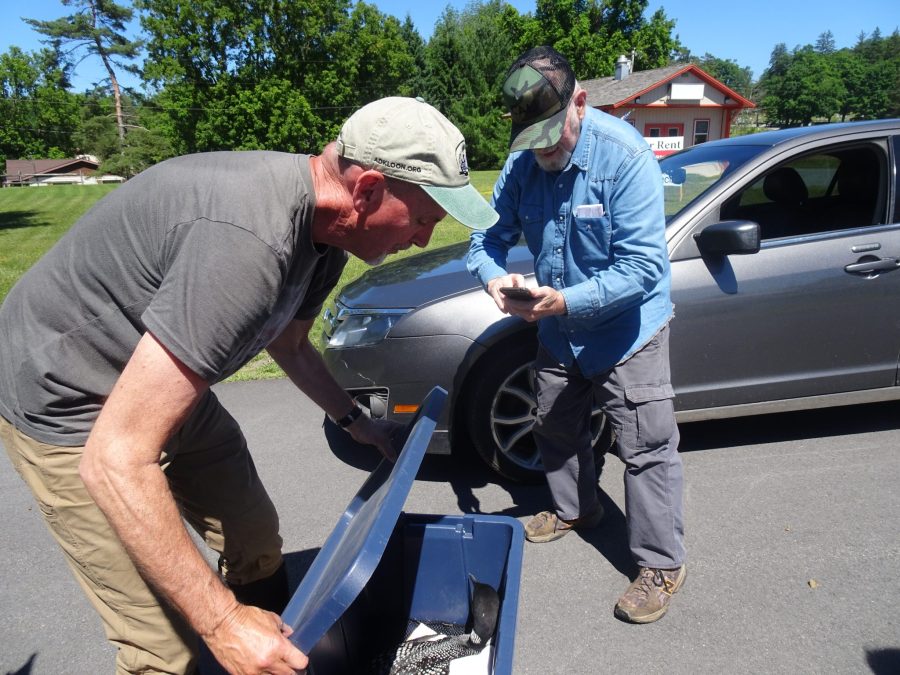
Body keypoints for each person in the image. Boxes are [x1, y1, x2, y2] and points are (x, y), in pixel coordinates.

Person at [0, 96, 497, 674]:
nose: (420, 240)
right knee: (163, 650)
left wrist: (356, 422)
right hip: (71, 405)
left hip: (159, 380)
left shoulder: (327, 240)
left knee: (254, 536)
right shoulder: (246, 244)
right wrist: (221, 623)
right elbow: (114, 458)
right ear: (365, 191)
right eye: (422, 219)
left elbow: (286, 343)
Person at [466, 46, 686, 624]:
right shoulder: (523, 163)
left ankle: (662, 563)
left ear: (580, 103)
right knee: (555, 425)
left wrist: (564, 300)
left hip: (627, 332)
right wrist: (496, 282)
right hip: (560, 332)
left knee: (645, 448)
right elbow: (483, 241)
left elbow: (643, 269)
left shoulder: (625, 158)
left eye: (549, 134)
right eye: (528, 137)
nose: (540, 149)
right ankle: (576, 509)